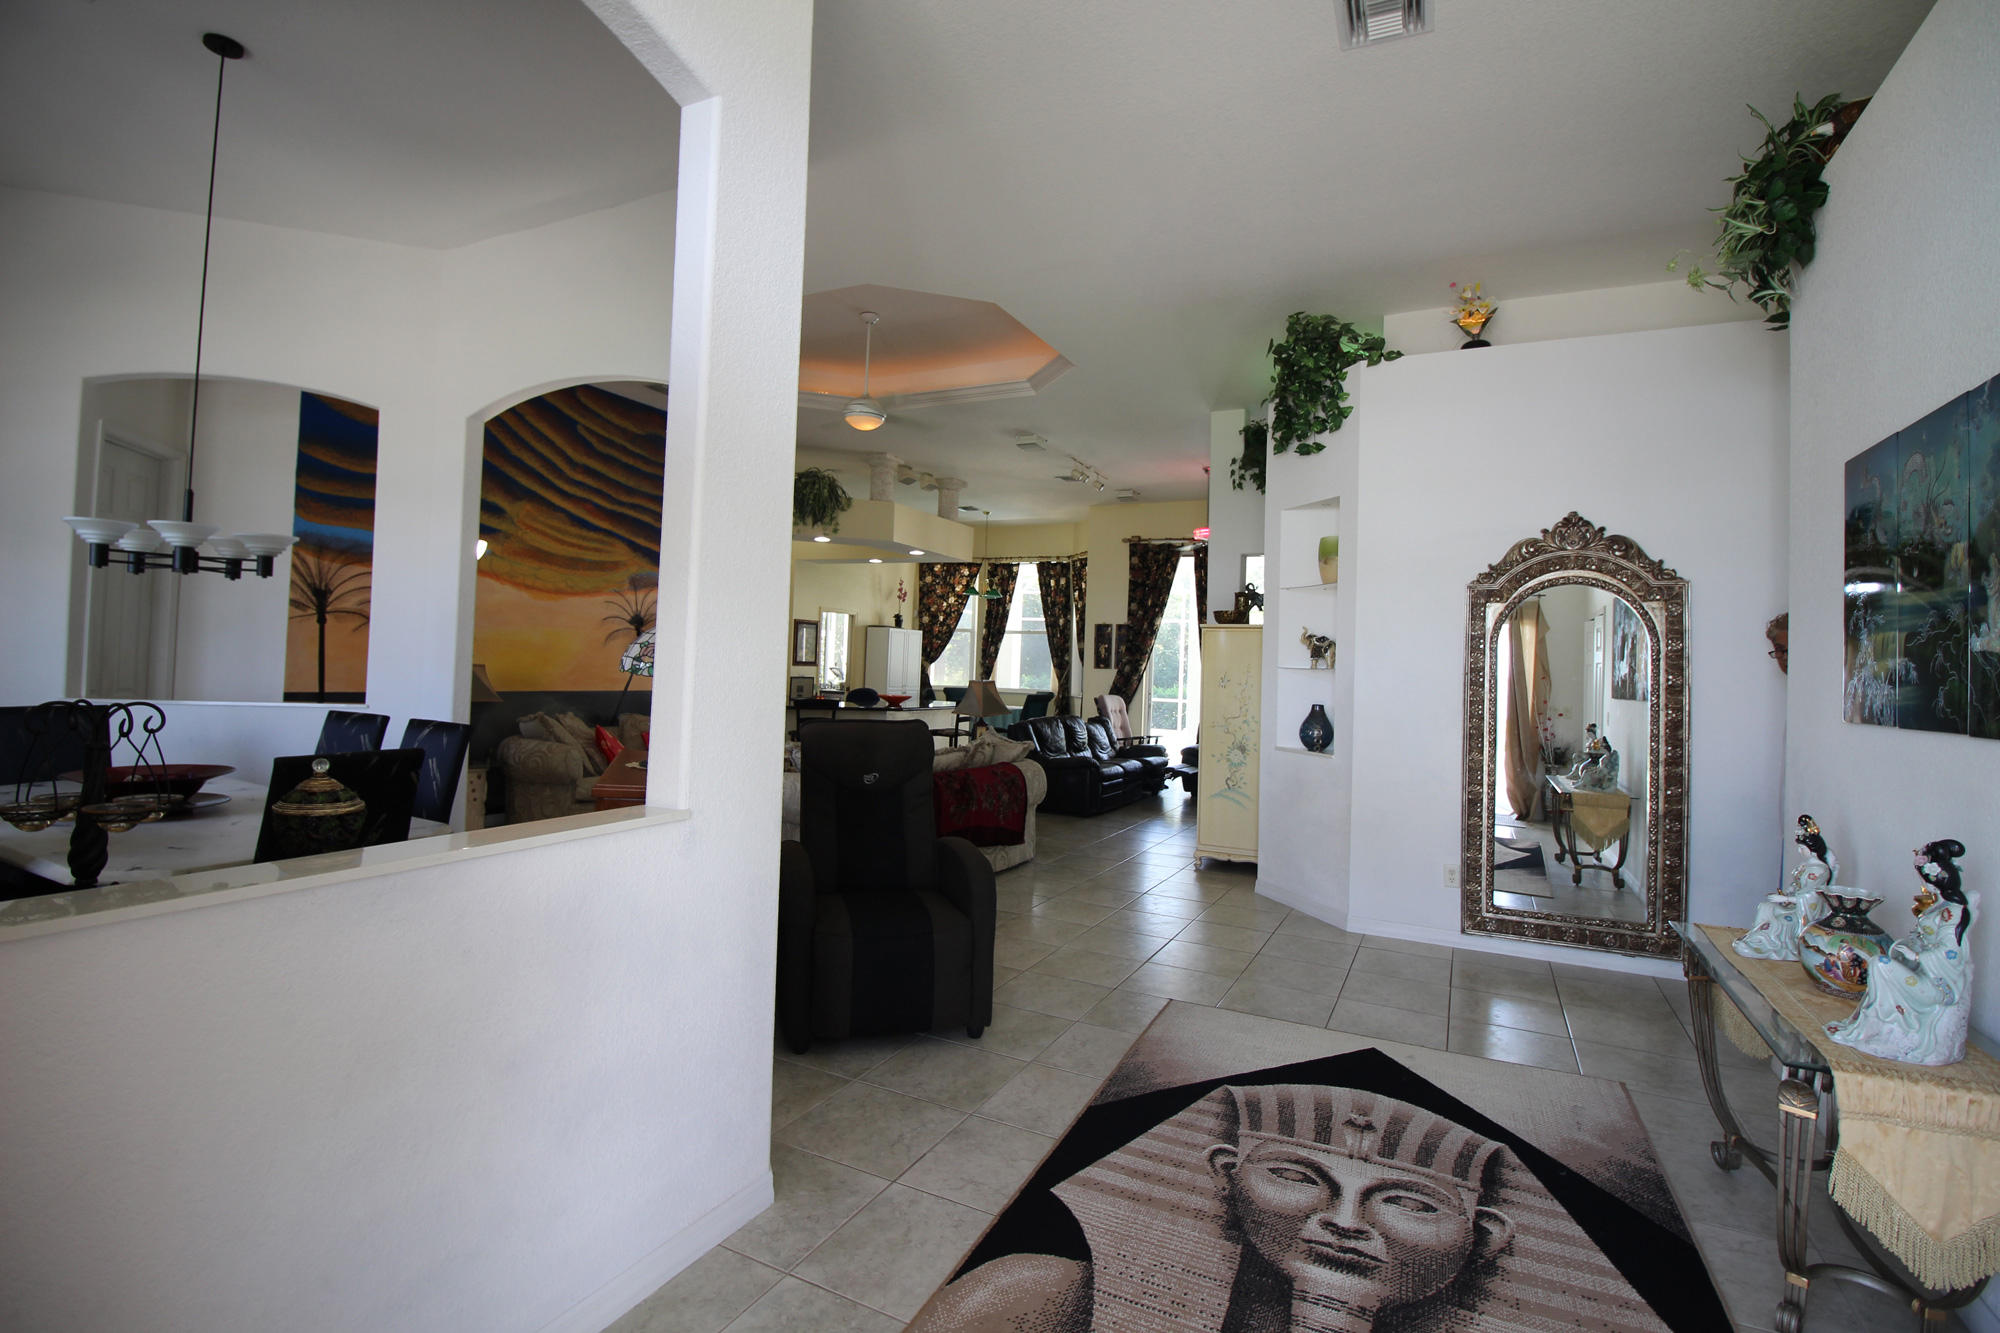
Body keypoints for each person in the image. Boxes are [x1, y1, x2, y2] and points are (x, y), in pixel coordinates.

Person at [909, 1086, 1517, 1333]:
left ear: (1484, 1236)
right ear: (1227, 1176)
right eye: (1294, 1176)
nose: (1344, 1222)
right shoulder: (1034, 1292)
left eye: (1409, 1203)